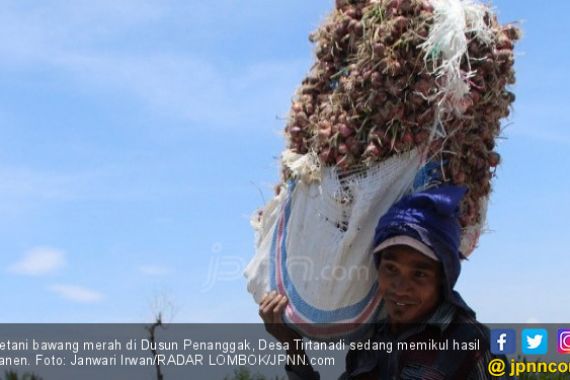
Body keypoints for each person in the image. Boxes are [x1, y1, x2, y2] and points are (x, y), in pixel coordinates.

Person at [259, 186, 511, 379]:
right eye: (390, 269)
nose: (400, 287)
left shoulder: (473, 343)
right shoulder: (369, 342)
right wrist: (292, 346)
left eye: (419, 274)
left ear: (444, 277)